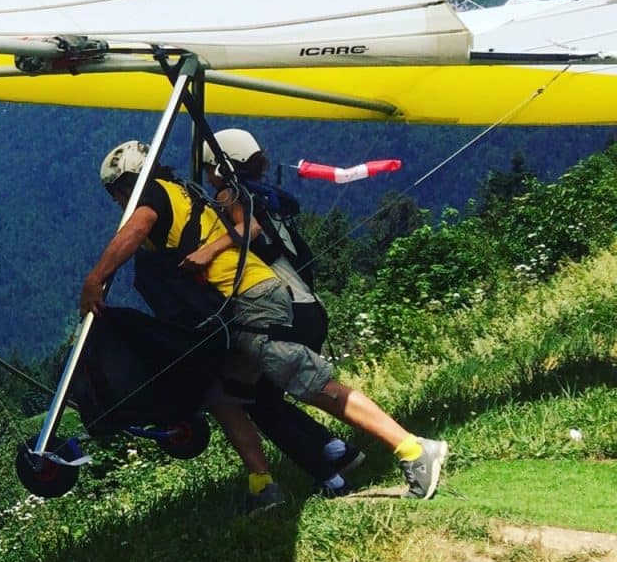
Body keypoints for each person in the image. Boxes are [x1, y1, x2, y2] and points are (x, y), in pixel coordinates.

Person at [83, 140, 448, 512]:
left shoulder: (155, 195)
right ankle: (263, 487)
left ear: (128, 182)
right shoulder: (179, 193)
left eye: (116, 192)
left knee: (310, 382)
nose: (117, 201)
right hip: (236, 304)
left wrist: (95, 278)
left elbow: (136, 227)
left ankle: (415, 449)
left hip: (249, 297)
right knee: (224, 396)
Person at [206, 127, 362, 496]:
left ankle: (331, 480)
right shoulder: (266, 198)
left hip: (283, 313)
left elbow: (248, 232)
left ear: (223, 167)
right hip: (308, 307)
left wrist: (206, 252)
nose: (208, 176)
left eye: (211, 168)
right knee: (267, 396)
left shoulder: (232, 197)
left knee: (255, 402)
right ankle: (335, 449)